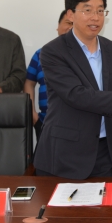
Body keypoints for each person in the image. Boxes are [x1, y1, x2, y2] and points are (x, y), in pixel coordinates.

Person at [33, 0, 112, 179]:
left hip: (104, 151)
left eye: (100, 11)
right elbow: (76, 95)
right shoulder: (53, 51)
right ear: (70, 14)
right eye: (87, 10)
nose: (95, 17)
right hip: (64, 153)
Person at [24, 10, 73, 142]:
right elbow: (29, 82)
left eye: (75, 25)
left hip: (76, 124)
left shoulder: (86, 56)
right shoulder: (41, 53)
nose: (71, 27)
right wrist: (32, 113)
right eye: (68, 23)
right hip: (45, 121)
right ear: (58, 26)